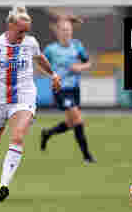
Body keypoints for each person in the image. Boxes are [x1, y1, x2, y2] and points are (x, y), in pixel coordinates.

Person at [0, 5, 61, 202]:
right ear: (11, 25)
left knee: (18, 136)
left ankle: (3, 186)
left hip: (24, 96)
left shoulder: (30, 43)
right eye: (21, 30)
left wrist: (53, 74)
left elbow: (40, 58)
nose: (24, 34)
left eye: (26, 31)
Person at [40, 16, 96, 164]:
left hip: (74, 89)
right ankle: (87, 156)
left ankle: (47, 133)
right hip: (60, 89)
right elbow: (41, 65)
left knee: (72, 123)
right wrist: (52, 75)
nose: (67, 33)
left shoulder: (77, 46)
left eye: (69, 30)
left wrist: (80, 67)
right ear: (58, 32)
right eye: (64, 30)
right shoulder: (51, 49)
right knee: (78, 118)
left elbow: (88, 62)